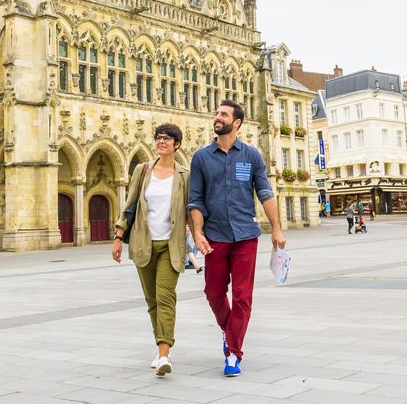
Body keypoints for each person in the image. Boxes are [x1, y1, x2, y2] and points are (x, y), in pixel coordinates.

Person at [187, 100, 286, 378]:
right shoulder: (202, 157)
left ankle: (232, 353)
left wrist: (276, 228)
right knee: (213, 293)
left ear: (237, 122)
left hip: (245, 235)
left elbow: (265, 192)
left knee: (243, 296)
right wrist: (197, 232)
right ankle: (229, 330)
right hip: (215, 235)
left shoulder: (252, 155)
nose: (217, 117)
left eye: (223, 114)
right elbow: (195, 199)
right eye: (217, 113)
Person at [112, 123, 190, 377]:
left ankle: (164, 355)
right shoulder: (143, 170)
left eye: (167, 138)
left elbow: (192, 209)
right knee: (152, 301)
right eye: (158, 138)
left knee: (165, 297)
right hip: (144, 243)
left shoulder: (184, 176)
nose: (161, 141)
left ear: (177, 144)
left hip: (171, 246)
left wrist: (197, 234)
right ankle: (161, 347)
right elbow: (130, 203)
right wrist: (118, 236)